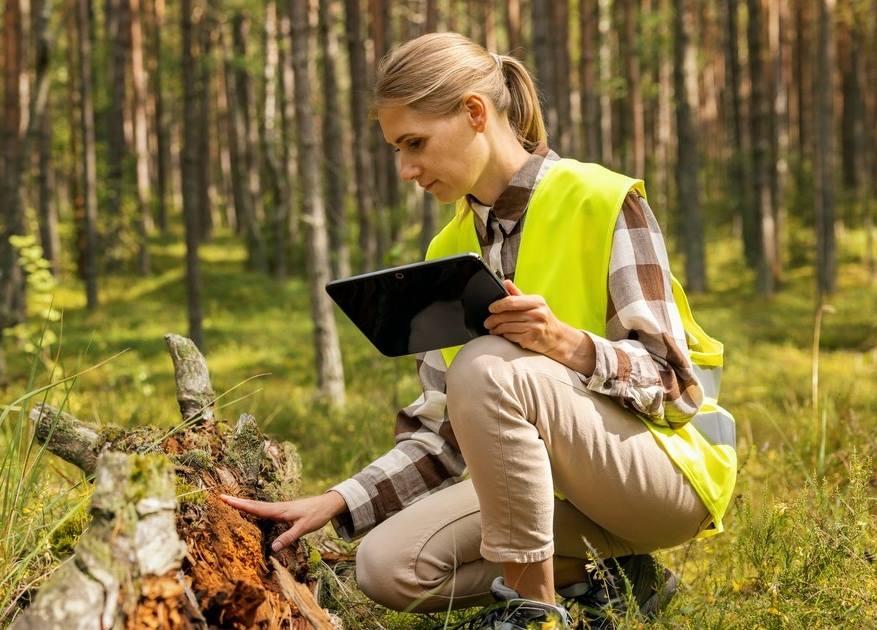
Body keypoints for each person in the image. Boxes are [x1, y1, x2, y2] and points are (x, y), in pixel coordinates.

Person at [222, 32, 736, 629]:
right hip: (559, 494)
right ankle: (606, 580)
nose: (407, 169)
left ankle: (533, 611)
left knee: (487, 364)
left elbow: (678, 389)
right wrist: (337, 500)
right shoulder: (449, 249)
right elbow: (442, 435)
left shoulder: (601, 199)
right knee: (386, 567)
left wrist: (565, 344)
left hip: (663, 480)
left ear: (473, 113)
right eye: (396, 149)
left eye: (415, 142)